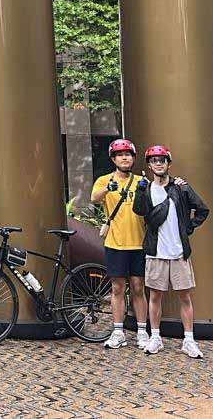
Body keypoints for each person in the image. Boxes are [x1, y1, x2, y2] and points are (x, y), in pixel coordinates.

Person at [132, 144, 209, 358]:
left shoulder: (180, 187)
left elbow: (202, 209)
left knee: (185, 296)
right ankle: (155, 337)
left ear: (169, 163)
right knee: (155, 296)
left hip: (178, 252)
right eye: (154, 161)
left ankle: (189, 340)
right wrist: (139, 190)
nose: (158, 164)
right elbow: (139, 210)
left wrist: (188, 227)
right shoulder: (147, 189)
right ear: (149, 165)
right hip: (155, 251)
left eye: (162, 160)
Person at [90, 138, 150, 350]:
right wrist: (108, 188)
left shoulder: (141, 181)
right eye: (120, 155)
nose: (125, 158)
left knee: (138, 287)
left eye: (128, 155)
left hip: (139, 243)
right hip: (115, 242)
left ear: (133, 158)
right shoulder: (104, 180)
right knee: (117, 287)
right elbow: (94, 198)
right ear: (113, 159)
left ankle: (142, 331)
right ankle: (118, 331)